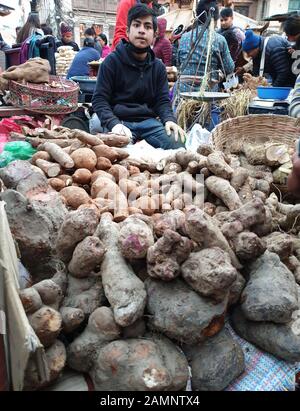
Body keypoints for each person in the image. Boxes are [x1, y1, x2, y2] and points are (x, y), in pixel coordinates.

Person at [92, 4, 186, 149]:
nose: (142, 30)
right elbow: (99, 100)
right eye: (137, 25)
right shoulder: (111, 62)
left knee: (178, 143)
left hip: (148, 122)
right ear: (128, 31)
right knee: (111, 148)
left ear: (154, 35)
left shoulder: (158, 67)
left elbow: (162, 101)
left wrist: (169, 119)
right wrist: (113, 123)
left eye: (147, 27)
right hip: (120, 120)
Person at [177, 0, 234, 93]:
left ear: (197, 15)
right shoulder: (219, 40)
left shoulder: (184, 38)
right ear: (215, 18)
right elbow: (229, 68)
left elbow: (178, 63)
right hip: (207, 96)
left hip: (183, 93)